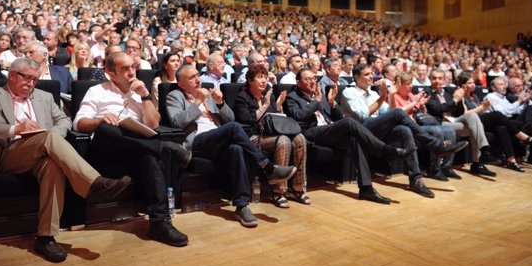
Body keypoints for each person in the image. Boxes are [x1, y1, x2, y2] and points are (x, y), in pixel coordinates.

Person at [0, 58, 131, 263]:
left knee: (53, 165)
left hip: (43, 152)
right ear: (12, 75)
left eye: (35, 79)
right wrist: (14, 129)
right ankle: (93, 183)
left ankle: (45, 237)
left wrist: (51, 136)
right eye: (26, 78)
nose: (31, 83)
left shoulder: (43, 97)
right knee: (49, 138)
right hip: (9, 154)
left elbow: (64, 120)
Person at [73, 52, 190, 247]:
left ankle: (159, 223)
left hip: (135, 152)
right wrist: (99, 119)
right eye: (125, 69)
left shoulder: (139, 93)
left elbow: (153, 125)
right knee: (107, 127)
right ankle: (165, 146)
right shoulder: (97, 91)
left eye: (133, 68)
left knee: (151, 156)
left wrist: (145, 96)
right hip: (106, 154)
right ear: (110, 73)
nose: (131, 73)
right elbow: (78, 123)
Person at [167, 65, 297, 227]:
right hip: (197, 142)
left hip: (217, 140)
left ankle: (242, 206)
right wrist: (198, 101)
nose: (198, 79)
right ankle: (268, 167)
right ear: (181, 83)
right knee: (234, 128)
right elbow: (177, 122)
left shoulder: (208, 96)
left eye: (198, 75)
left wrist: (220, 103)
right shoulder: (175, 96)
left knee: (236, 149)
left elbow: (230, 119)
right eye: (192, 77)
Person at [285, 67, 414, 205]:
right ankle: (383, 149)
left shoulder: (320, 95)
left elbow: (337, 117)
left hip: (329, 130)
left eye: (313, 78)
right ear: (298, 83)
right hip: (312, 132)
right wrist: (316, 101)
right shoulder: (292, 97)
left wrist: (332, 104)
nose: (312, 81)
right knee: (349, 121)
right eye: (307, 79)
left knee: (355, 138)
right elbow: (298, 116)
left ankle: (366, 188)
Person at [340, 64, 467, 198]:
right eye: (366, 74)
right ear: (356, 77)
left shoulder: (373, 93)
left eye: (371, 73)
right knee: (399, 113)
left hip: (378, 131)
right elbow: (362, 115)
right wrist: (384, 97)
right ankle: (436, 145)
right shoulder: (349, 92)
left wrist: (391, 95)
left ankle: (415, 179)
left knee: (404, 130)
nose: (371, 76)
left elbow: (389, 113)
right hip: (360, 131)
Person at [233, 64, 310, 208]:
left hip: (271, 134)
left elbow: (275, 120)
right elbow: (246, 121)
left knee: (299, 138)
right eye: (259, 77)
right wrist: (264, 105)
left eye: (265, 78)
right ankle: (279, 191)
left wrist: (278, 106)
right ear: (250, 80)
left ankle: (297, 187)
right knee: (284, 141)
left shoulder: (268, 95)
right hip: (253, 137)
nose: (264, 81)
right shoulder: (242, 97)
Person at [454, 73, 532, 172]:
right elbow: (465, 114)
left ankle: (511, 160)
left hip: (480, 120)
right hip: (469, 122)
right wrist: (481, 108)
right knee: (497, 114)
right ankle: (523, 136)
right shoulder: (461, 97)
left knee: (501, 128)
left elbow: (481, 111)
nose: (473, 84)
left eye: (473, 82)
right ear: (462, 85)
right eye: (469, 83)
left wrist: (484, 108)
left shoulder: (474, 96)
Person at [425, 68, 500, 177]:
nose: (437, 81)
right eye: (434, 78)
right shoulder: (427, 92)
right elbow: (436, 110)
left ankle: (481, 156)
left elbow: (459, 112)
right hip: (439, 122)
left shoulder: (446, 93)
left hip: (453, 120)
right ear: (430, 79)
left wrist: (459, 101)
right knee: (474, 128)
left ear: (444, 80)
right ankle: (479, 160)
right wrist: (455, 99)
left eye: (440, 78)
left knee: (473, 118)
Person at [391, 72, 461, 181]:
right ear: (399, 85)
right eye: (408, 84)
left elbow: (420, 112)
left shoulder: (410, 95)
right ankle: (434, 169)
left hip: (418, 123)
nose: (411, 86)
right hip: (408, 128)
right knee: (436, 130)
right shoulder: (394, 96)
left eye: (411, 83)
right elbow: (398, 113)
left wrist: (422, 105)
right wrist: (415, 102)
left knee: (449, 129)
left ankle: (447, 167)